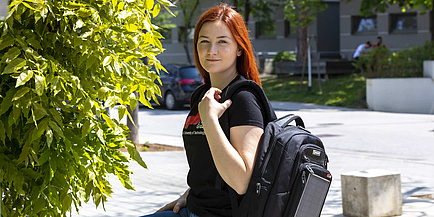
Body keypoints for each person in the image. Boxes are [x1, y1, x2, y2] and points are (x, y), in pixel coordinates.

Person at [141, 3, 267, 217]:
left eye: (222, 42)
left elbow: (241, 182)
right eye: (204, 42)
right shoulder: (201, 95)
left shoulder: (244, 99)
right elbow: (209, 168)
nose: (212, 51)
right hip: (193, 209)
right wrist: (189, 194)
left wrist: (210, 120)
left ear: (239, 48)